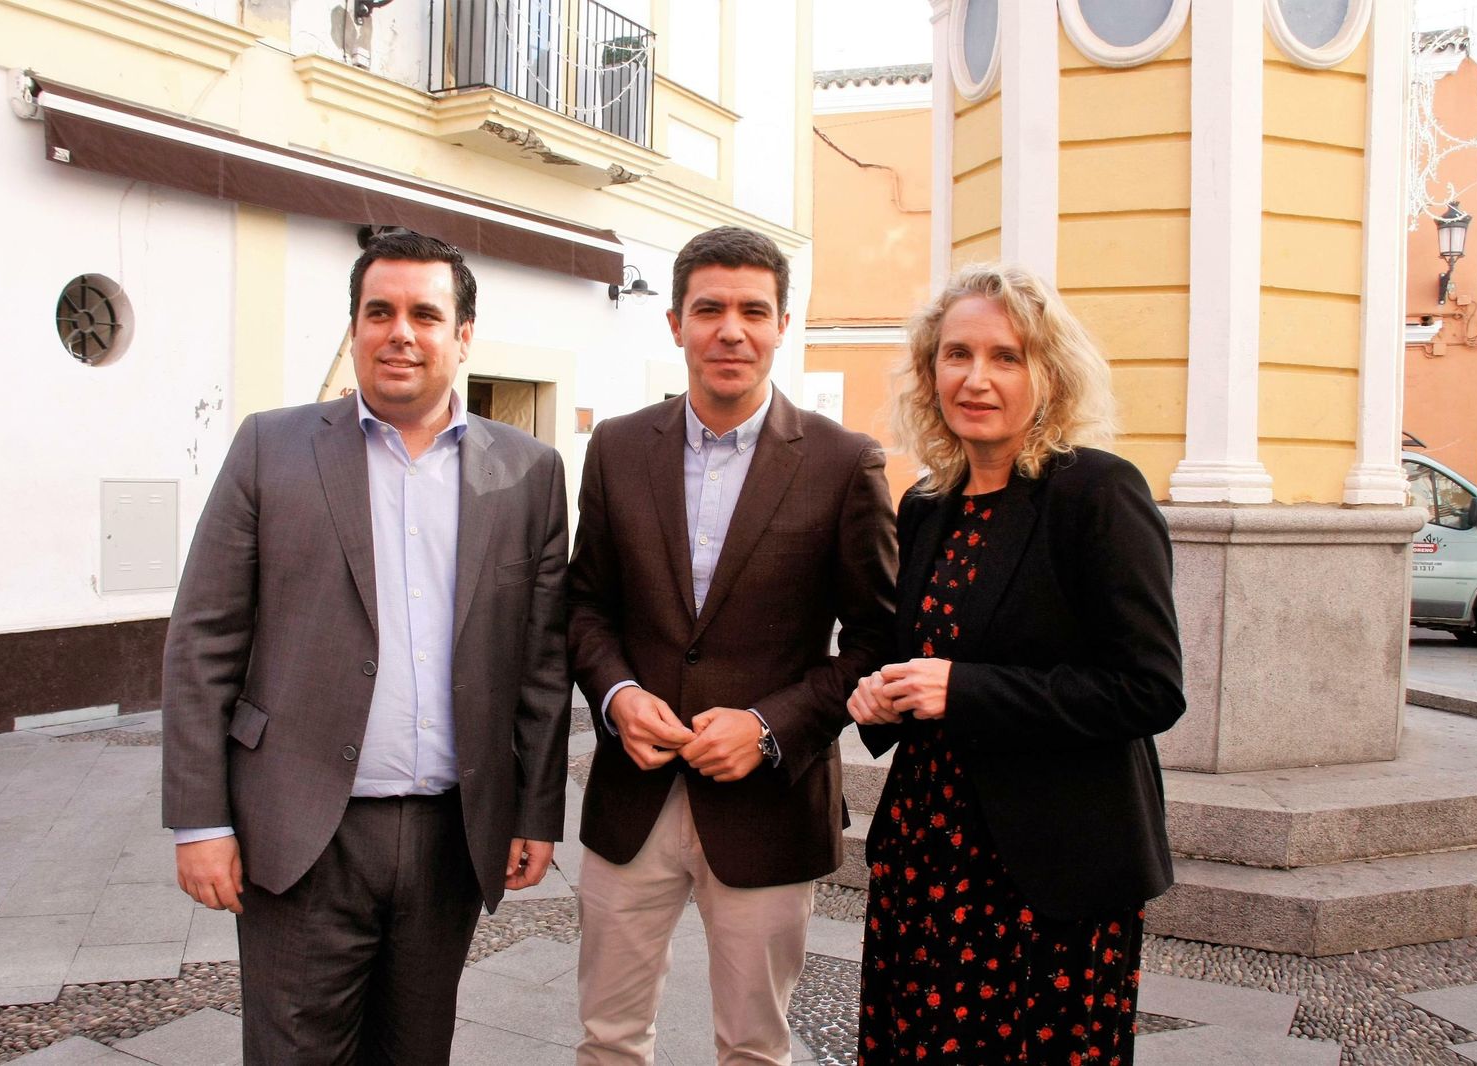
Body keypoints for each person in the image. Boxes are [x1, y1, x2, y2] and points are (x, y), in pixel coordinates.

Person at [161, 231, 570, 1065]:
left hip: (450, 837)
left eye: (426, 313)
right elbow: (204, 639)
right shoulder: (270, 448)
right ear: (354, 328)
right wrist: (199, 819)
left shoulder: (528, 473)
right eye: (378, 312)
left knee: (417, 1053)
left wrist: (534, 810)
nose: (401, 333)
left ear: (463, 336)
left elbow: (541, 662)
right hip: (303, 831)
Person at [568, 225, 898, 1065]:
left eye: (754, 310)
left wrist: (769, 725)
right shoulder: (614, 448)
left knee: (753, 1048)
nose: (732, 329)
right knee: (607, 1038)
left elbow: (874, 642)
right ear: (675, 322)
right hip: (632, 797)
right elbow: (583, 607)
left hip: (769, 804)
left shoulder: (843, 462)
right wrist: (616, 695)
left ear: (783, 323)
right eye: (709, 308)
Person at [847, 263, 1185, 1066]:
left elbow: (1150, 688)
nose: (977, 378)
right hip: (926, 864)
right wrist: (880, 695)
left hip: (1050, 874)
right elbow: (920, 663)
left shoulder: (1097, 493)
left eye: (1006, 357)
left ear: (1050, 373)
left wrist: (965, 690)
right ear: (930, 372)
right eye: (956, 354)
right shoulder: (928, 503)